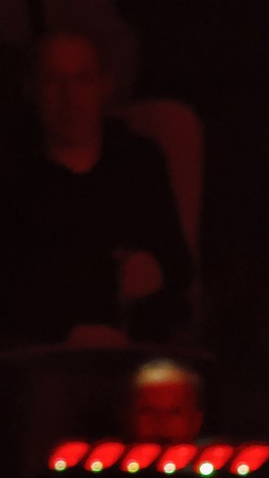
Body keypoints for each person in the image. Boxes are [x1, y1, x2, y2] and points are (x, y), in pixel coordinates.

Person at [0, 29, 192, 347]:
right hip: (41, 354)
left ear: (105, 86)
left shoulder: (139, 161)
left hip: (135, 353)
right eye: (52, 81)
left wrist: (154, 271)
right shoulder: (13, 173)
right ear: (31, 90)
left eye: (82, 79)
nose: (69, 97)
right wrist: (63, 333)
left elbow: (179, 267)